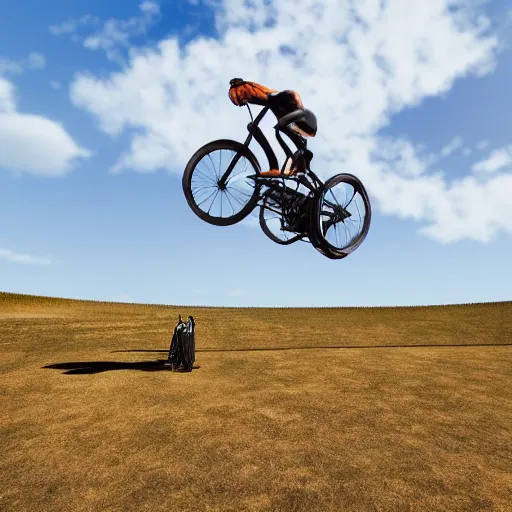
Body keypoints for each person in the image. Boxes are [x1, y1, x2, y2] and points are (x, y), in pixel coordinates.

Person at [228, 78, 317, 177]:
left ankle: (281, 164)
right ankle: (285, 166)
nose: (247, 102)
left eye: (245, 98)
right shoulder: (271, 103)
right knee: (262, 127)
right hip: (298, 123)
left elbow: (294, 98)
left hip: (305, 121)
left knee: (277, 127)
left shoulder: (276, 98)